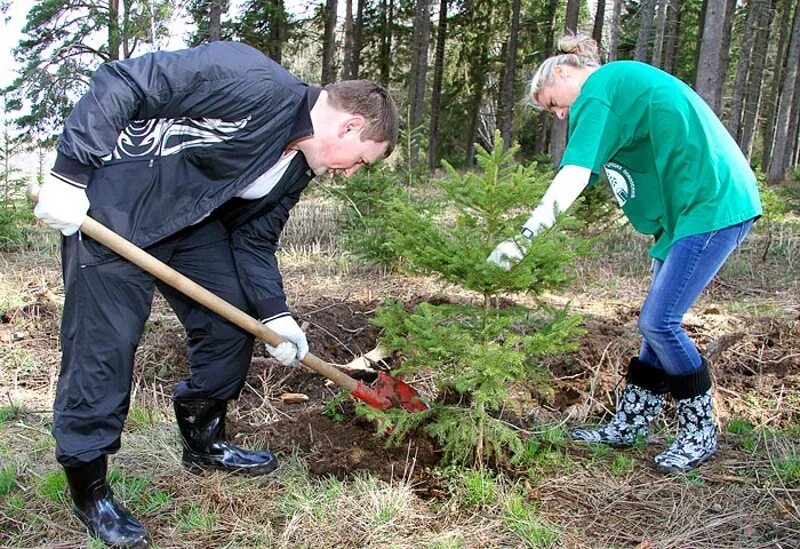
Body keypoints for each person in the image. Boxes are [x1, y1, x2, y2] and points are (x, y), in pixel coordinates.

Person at [34, 41, 398, 548]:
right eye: (360, 160)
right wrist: (70, 174)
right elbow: (123, 81)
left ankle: (204, 441)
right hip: (113, 211)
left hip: (188, 225)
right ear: (350, 125)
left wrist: (277, 314)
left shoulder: (298, 165)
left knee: (233, 322)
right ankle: (89, 488)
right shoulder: (250, 79)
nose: (351, 172)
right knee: (103, 349)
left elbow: (254, 239)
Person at [488, 34, 761, 474]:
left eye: (553, 103)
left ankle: (700, 430)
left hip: (711, 204)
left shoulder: (602, 87)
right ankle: (632, 423)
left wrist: (523, 238)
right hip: (683, 215)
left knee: (659, 321)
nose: (560, 115)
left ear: (562, 71)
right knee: (657, 323)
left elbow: (574, 175)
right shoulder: (619, 91)